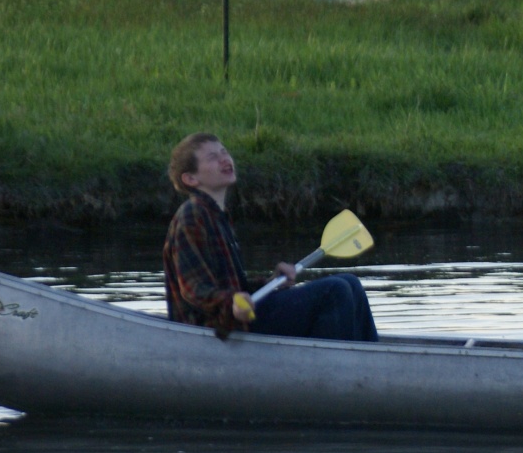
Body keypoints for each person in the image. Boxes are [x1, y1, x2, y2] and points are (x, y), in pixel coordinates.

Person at [162, 133, 378, 342]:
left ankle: (368, 358)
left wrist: (271, 282)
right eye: (212, 157)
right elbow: (194, 289)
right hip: (216, 328)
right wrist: (231, 303)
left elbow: (234, 288)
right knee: (335, 291)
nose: (224, 159)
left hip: (237, 317)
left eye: (224, 152)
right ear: (190, 178)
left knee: (350, 283)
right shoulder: (192, 215)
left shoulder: (217, 215)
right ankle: (332, 363)